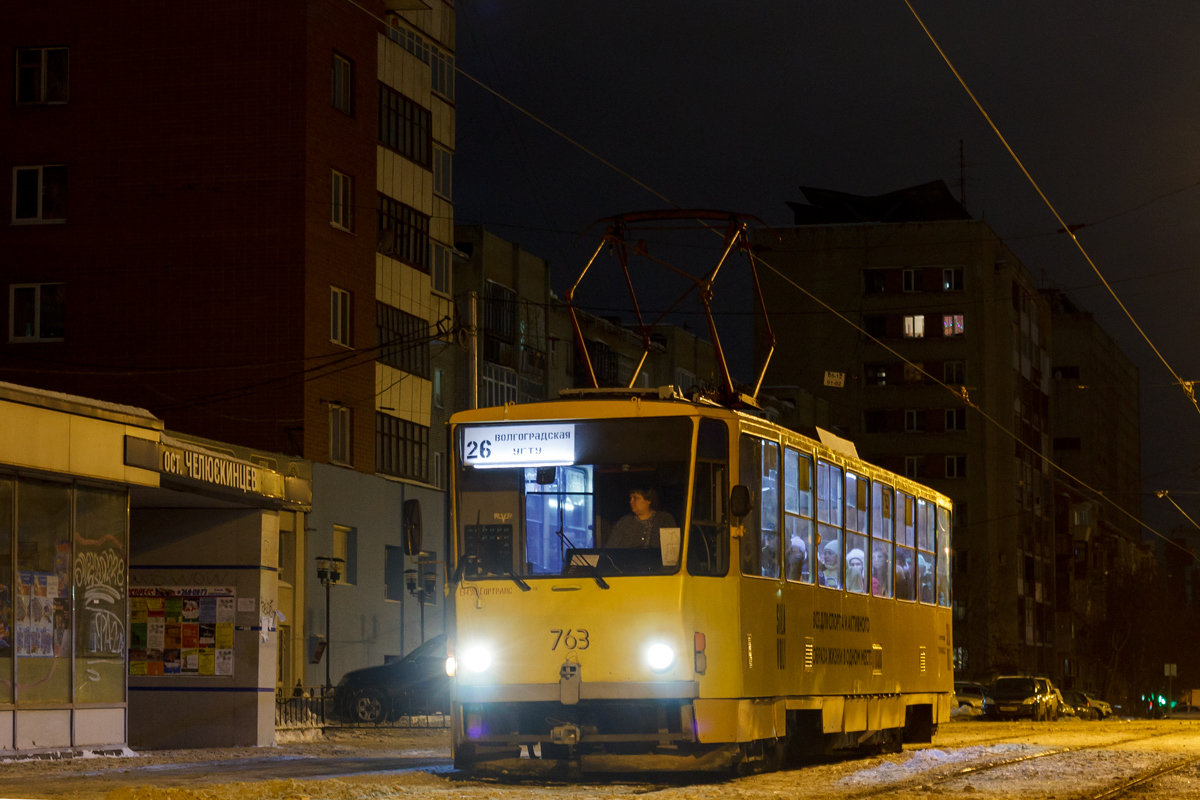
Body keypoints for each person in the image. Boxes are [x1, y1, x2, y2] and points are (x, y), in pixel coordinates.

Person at [608, 487, 676, 548]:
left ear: (648, 500)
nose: (631, 502)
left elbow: (672, 548)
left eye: (635, 498)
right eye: (630, 498)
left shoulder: (664, 519)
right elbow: (611, 548)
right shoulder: (625, 522)